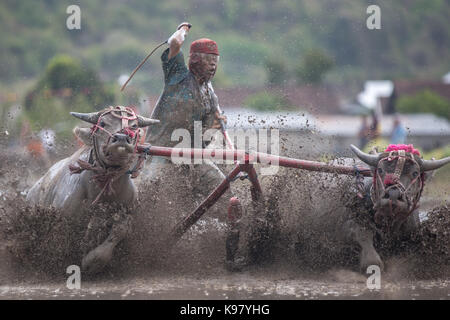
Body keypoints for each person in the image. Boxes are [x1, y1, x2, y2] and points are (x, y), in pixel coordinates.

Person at [144, 22, 244, 271]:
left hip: (194, 157)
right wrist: (182, 29)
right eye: (208, 60)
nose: (213, 65)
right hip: (161, 153)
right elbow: (175, 44)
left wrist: (218, 123)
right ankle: (136, 244)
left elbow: (214, 126)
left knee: (229, 199)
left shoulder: (210, 93)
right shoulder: (177, 74)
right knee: (146, 193)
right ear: (194, 60)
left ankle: (231, 259)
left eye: (216, 61)